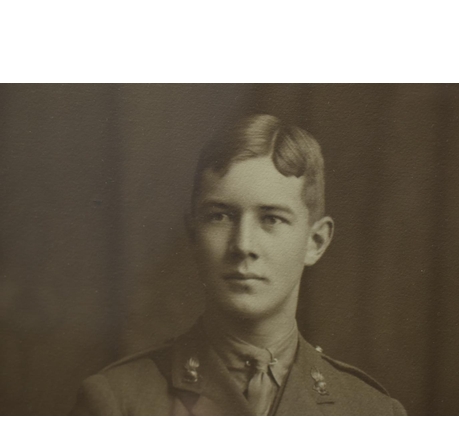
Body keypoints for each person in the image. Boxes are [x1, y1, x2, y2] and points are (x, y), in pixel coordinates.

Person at [71, 114, 406, 416]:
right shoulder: (118, 403)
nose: (243, 245)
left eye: (271, 219)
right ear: (193, 234)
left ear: (315, 242)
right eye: (220, 217)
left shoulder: (371, 411)